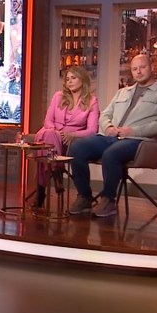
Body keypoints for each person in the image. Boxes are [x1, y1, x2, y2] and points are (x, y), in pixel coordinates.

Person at [67, 54, 157, 218]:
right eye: (135, 69)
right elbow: (105, 115)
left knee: (112, 154)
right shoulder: (123, 92)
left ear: (152, 67)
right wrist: (108, 127)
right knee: (77, 148)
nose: (138, 72)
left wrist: (133, 131)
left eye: (142, 67)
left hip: (138, 141)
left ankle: (108, 200)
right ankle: (84, 197)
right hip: (111, 137)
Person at [31, 66, 99, 208]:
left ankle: (41, 191)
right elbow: (48, 120)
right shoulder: (58, 96)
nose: (69, 81)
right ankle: (57, 171)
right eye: (67, 79)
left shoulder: (91, 101)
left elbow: (92, 130)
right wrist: (56, 131)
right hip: (49, 133)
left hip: (69, 142)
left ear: (83, 80)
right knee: (49, 136)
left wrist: (72, 135)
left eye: (73, 78)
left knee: (45, 151)